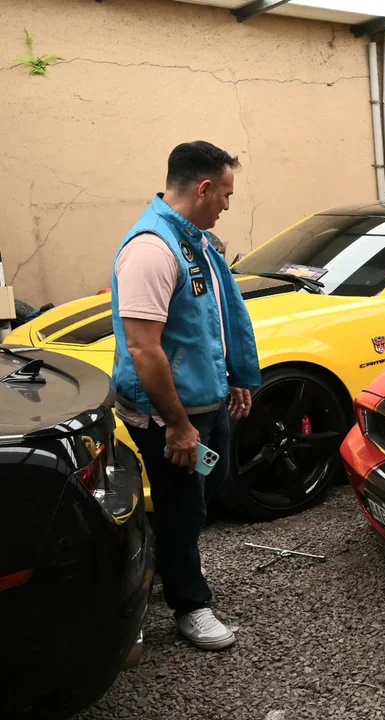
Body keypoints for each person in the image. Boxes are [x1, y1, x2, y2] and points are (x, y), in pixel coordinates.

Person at [110, 141, 261, 651]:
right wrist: (177, 426)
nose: (227, 205)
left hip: (205, 402)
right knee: (181, 507)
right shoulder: (151, 250)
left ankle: (160, 562)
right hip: (170, 417)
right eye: (225, 195)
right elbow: (143, 348)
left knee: (203, 491)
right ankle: (190, 605)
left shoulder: (193, 242)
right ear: (203, 188)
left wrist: (233, 375)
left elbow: (209, 320)